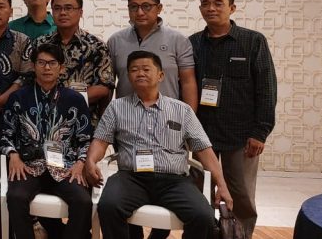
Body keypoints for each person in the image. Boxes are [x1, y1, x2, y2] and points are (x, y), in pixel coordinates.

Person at [85, 51, 233, 239]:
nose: (140, 73)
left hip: (174, 181)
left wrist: (222, 185)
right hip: (131, 178)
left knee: (203, 216)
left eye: (146, 69)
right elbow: (100, 141)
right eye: (134, 70)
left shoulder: (182, 110)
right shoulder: (116, 108)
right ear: (128, 76)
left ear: (161, 75)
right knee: (108, 206)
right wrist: (91, 161)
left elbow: (204, 149)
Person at [189, 0, 277, 238]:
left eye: (218, 3)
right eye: (205, 3)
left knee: (241, 195)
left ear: (232, 8)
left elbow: (267, 89)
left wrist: (260, 132)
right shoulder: (193, 43)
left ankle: (240, 235)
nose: (211, 8)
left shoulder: (253, 41)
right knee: (200, 190)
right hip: (202, 133)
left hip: (241, 135)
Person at [1, 43, 93, 239]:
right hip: (28, 166)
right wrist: (13, 155)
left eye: (52, 63)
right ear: (33, 66)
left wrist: (80, 163)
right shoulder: (18, 97)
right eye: (41, 63)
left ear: (61, 67)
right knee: (16, 197)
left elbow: (85, 138)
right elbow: (5, 134)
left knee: (83, 201)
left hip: (65, 167)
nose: (47, 68)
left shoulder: (75, 99)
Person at [108, 0, 199, 110]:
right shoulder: (115, 41)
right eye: (134, 7)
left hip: (168, 115)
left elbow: (188, 83)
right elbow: (109, 84)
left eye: (146, 6)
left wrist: (189, 117)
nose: (140, 12)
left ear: (159, 8)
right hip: (125, 116)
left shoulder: (178, 40)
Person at [28, 0, 115, 117]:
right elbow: (29, 79)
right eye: (57, 8)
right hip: (43, 116)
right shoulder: (40, 43)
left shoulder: (96, 46)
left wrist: (66, 100)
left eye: (68, 8)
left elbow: (104, 86)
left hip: (83, 117)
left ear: (80, 12)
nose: (62, 13)